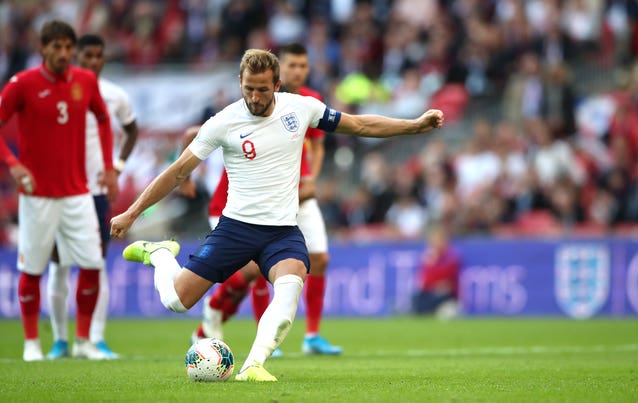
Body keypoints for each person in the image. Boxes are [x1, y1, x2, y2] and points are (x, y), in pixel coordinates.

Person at [111, 49, 444, 382]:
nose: (255, 97)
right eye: (248, 89)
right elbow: (178, 170)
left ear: (277, 84)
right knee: (176, 301)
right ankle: (159, 255)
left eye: (263, 89)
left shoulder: (300, 109)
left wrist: (413, 126)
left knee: (291, 283)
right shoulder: (224, 122)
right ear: (240, 83)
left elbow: (358, 124)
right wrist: (132, 212)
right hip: (236, 229)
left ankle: (253, 365)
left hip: (282, 231)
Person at [186, 43, 341, 356]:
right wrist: (183, 177)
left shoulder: (307, 106)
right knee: (250, 271)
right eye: (292, 65)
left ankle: (309, 335)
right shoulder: (244, 110)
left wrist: (308, 182)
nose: (298, 71)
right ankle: (221, 317)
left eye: (303, 65)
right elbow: (194, 134)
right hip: (244, 205)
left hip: (291, 197)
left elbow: (318, 147)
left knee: (314, 260)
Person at [0, 20, 118, 361]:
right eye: (57, 47)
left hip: (77, 193)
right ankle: (32, 344)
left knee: (93, 264)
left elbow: (103, 119)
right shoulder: (22, 84)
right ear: (43, 49)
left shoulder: (85, 80)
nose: (64, 54)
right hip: (37, 196)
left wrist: (109, 167)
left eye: (68, 47)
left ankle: (82, 341)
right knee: (33, 269)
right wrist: (14, 163)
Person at [46, 34, 138, 360]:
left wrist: (117, 165)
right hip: (60, 188)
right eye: (88, 56)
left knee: (96, 263)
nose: (94, 61)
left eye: (99, 55)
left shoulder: (115, 96)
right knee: (58, 266)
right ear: (75, 56)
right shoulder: (59, 91)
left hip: (97, 192)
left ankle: (95, 339)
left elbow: (132, 129)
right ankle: (60, 340)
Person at [412, 226, 461, 317]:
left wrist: (433, 263)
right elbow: (425, 278)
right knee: (417, 299)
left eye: (439, 240)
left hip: (445, 293)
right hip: (429, 290)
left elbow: (447, 275)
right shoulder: (429, 257)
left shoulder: (452, 257)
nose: (436, 244)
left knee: (439, 296)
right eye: (434, 241)